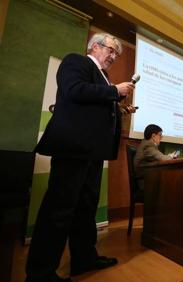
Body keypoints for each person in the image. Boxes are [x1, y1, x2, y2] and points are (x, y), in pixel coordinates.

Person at [26, 33, 136, 282]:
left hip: (93, 152)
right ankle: (40, 273)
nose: (113, 56)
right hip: (73, 147)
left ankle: (84, 258)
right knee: (59, 209)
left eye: (116, 53)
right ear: (95, 47)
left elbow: (92, 107)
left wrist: (118, 108)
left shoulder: (104, 78)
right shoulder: (76, 61)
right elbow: (74, 90)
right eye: (110, 50)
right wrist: (113, 91)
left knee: (86, 208)